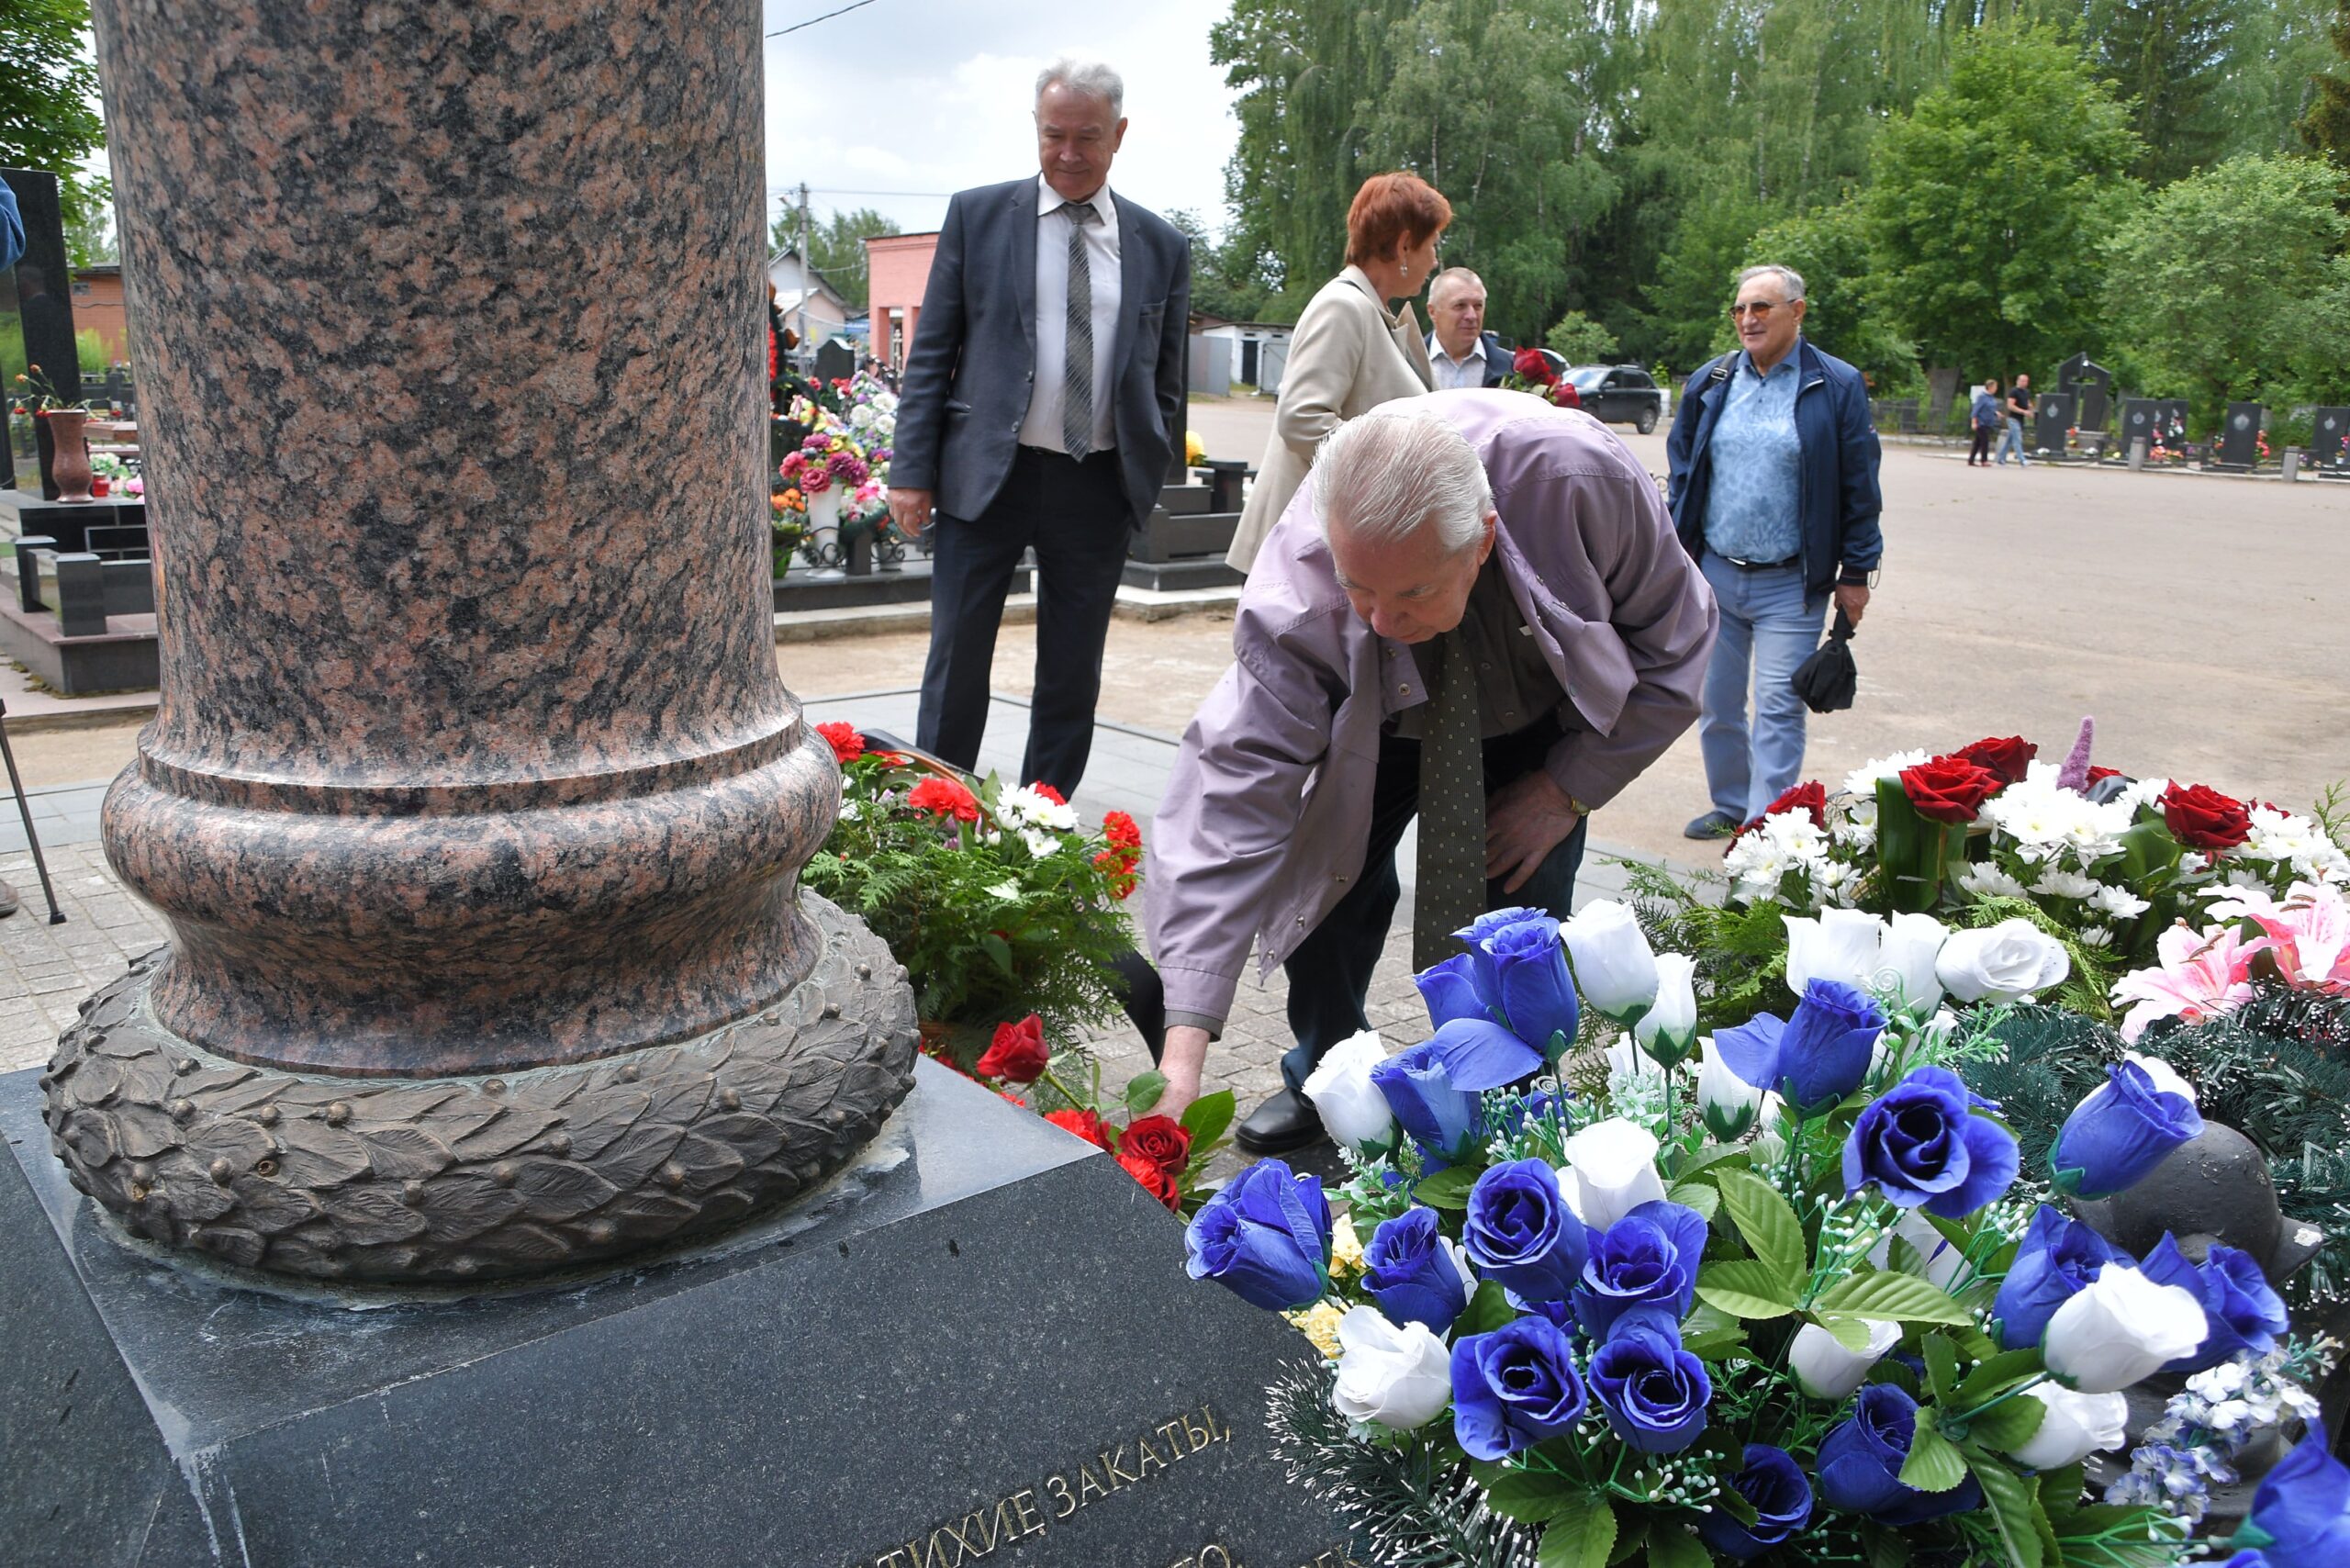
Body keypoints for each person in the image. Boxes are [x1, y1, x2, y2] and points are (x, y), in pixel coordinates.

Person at [1147, 395, 1716, 1145]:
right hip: (1375, 720)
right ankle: (1330, 1077)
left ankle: (1506, 1116)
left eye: (1412, 591)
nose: (1382, 620)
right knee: (1320, 892)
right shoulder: (1302, 584)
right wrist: (1181, 1057)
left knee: (1519, 924)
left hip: (1536, 719)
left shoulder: (1583, 483)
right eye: (1360, 589)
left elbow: (1678, 648)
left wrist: (1566, 788)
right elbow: (1228, 797)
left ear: (1482, 541)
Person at [887, 57, 1190, 800]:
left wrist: (1146, 480)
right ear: (1036, 128)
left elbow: (1167, 379)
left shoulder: (1160, 244)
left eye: (1087, 137)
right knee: (957, 662)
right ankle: (938, 816)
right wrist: (910, 469)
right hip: (988, 477)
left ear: (1118, 134)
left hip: (1097, 487)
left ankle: (1038, 826)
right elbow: (934, 354)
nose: (1068, 153)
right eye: (1054, 134)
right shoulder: (979, 216)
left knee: (1071, 671)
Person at [1668, 263, 1882, 841]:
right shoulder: (1711, 382)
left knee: (1779, 708)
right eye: (1739, 309)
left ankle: (1765, 828)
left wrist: (1856, 571)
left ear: (1798, 311)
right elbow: (1684, 474)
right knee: (1716, 705)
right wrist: (1674, 555)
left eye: (1761, 307)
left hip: (1792, 581)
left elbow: (1860, 486)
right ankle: (1730, 804)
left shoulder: (1834, 385)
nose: (1747, 319)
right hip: (1715, 573)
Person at [1222, 173, 1442, 574]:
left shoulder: (1371, 311)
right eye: (1433, 245)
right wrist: (1401, 465)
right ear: (1404, 245)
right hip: (1307, 555)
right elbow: (1302, 420)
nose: (1435, 261)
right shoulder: (1343, 306)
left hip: (1331, 548)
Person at [1425, 267, 1511, 389]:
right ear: (1432, 312)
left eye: (1478, 306)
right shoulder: (1408, 365)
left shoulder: (1510, 368)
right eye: (1460, 306)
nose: (1472, 316)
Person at [1996, 373, 2032, 467]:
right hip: (2013, 419)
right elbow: (2010, 406)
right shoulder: (2014, 391)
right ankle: (2022, 460)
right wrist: (2023, 411)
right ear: (2018, 381)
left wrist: (2030, 410)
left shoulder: (2026, 392)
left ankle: (2000, 458)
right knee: (2017, 439)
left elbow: (2028, 403)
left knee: (2010, 440)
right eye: (2023, 381)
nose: (2025, 383)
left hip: (2021, 419)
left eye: (2026, 381)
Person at [1968, 378, 2000, 467]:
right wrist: (1974, 422)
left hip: (1988, 423)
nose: (1996, 388)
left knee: (1977, 443)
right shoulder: (1982, 397)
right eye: (1995, 386)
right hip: (1981, 423)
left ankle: (1971, 460)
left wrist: (1996, 413)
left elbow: (1990, 408)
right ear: (1990, 387)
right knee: (1984, 442)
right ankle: (1984, 460)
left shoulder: (1991, 397)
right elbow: (1976, 410)